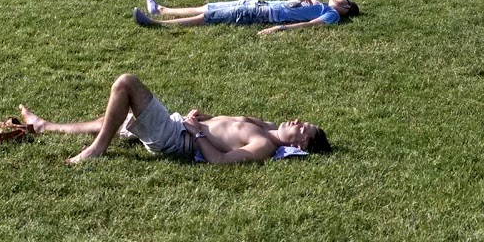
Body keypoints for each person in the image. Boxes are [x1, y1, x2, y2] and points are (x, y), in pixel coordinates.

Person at [17, 73, 332, 165]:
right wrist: (206, 119)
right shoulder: (266, 127)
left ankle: (97, 149)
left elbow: (221, 162)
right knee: (114, 117)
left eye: (303, 128)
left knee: (126, 84)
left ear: (302, 143)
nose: (297, 121)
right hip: (181, 124)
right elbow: (230, 125)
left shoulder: (264, 143)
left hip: (175, 138)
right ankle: (45, 126)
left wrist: (197, 134)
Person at [134, 0, 361, 35]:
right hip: (257, 3)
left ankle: (156, 23)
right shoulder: (322, 4)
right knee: (209, 7)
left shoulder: (333, 15)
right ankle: (162, 10)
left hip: (263, 13)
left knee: (208, 18)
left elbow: (311, 24)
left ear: (346, 7)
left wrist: (279, 28)